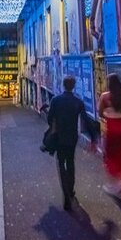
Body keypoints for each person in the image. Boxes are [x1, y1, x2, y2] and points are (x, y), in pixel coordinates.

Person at [47, 75, 98, 211]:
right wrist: (93, 138)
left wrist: (52, 127)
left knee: (60, 163)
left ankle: (66, 194)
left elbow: (49, 117)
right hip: (72, 137)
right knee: (70, 163)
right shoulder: (78, 102)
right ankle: (70, 190)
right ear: (73, 86)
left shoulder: (56, 100)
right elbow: (86, 120)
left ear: (63, 85)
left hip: (59, 137)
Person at [98, 74, 121, 200]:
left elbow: (100, 112)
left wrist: (109, 114)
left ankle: (114, 184)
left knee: (111, 156)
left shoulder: (105, 97)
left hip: (112, 131)